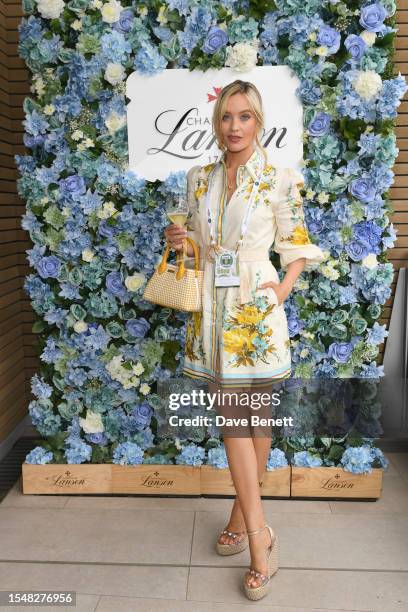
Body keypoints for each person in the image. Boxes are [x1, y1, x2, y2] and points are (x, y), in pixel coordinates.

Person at [164, 79, 325, 601]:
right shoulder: (199, 176)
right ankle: (252, 530)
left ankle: (252, 532)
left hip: (255, 307)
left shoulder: (279, 178)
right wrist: (179, 239)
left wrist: (280, 290)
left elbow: (296, 244)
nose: (234, 126)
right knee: (240, 419)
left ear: (258, 121)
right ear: (218, 123)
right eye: (226, 117)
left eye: (244, 117)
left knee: (251, 420)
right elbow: (195, 239)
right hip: (211, 305)